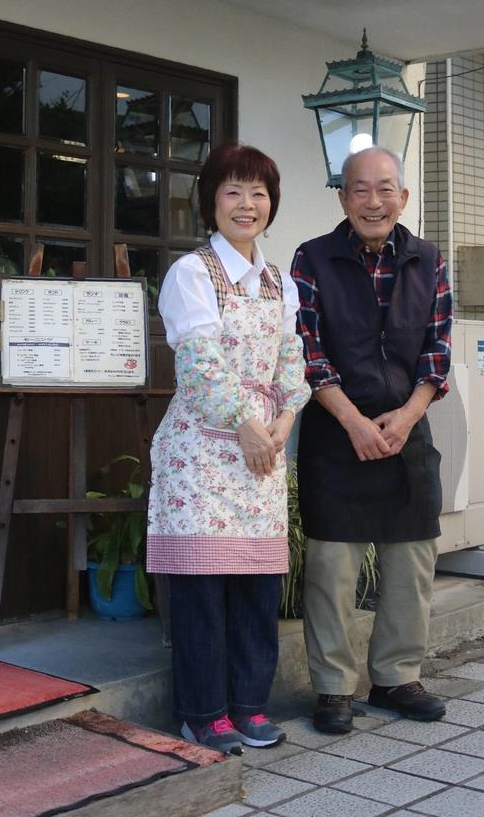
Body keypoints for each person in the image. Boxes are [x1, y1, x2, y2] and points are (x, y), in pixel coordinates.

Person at [147, 143, 310, 755]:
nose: (248, 205)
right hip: (204, 453)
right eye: (233, 192)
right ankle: (203, 713)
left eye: (260, 193)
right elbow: (201, 366)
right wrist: (247, 424)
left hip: (263, 450)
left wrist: (285, 420)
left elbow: (292, 361)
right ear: (210, 202)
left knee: (255, 589)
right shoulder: (192, 273)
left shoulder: (278, 282)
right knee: (202, 589)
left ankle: (248, 705)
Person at [291, 146, 452, 734]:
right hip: (336, 432)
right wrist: (353, 420)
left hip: (407, 429)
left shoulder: (429, 260)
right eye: (360, 189)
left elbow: (438, 349)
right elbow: (305, 349)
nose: (373, 201)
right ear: (342, 198)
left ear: (403, 197)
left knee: (411, 559)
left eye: (385, 188)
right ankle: (333, 689)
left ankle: (396, 678)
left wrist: (407, 415)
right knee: (332, 565)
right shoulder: (312, 259)